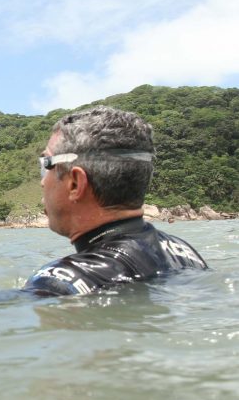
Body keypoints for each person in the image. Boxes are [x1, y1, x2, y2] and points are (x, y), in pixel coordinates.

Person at [24, 106, 207, 296]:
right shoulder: (184, 252)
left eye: (46, 165)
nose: (42, 181)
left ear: (76, 184)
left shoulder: (60, 282)